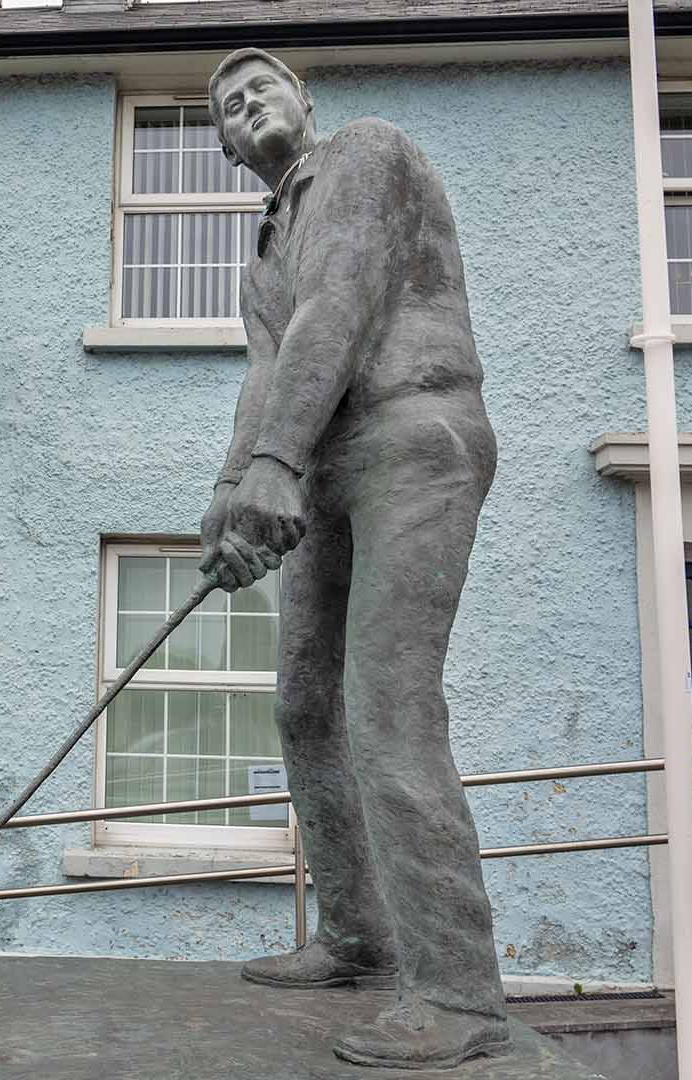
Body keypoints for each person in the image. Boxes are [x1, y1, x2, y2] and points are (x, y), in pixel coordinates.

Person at [200, 47, 509, 1070]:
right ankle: (360, 936)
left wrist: (276, 462)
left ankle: (460, 993)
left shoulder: (366, 156)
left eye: (262, 89)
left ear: (306, 101)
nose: (248, 108)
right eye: (228, 107)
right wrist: (229, 496)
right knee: (301, 705)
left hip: (416, 440)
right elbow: (266, 375)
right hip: (320, 468)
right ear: (223, 143)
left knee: (389, 709)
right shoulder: (258, 256)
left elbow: (340, 304)